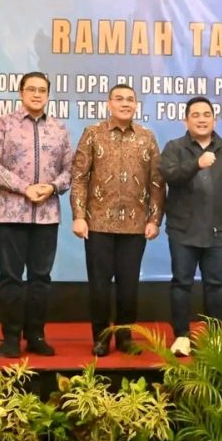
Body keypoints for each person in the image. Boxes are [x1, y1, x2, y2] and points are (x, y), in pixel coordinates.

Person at [70, 84, 165, 357]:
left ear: (136, 105)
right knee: (99, 286)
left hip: (135, 225)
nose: (125, 103)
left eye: (130, 99)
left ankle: (125, 338)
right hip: (98, 223)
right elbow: (79, 178)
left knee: (129, 286)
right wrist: (79, 216)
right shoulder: (92, 133)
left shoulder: (147, 137)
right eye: (119, 99)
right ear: (109, 103)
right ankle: (101, 338)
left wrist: (154, 219)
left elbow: (157, 182)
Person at [0, 72, 73, 359]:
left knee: (41, 278)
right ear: (21, 92)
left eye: (42, 90)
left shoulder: (58, 128)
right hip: (12, 214)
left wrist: (52, 187)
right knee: (11, 278)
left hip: (47, 216)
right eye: (31, 89)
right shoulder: (4, 124)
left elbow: (69, 170)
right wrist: (25, 188)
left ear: (48, 94)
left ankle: (35, 335)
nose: (36, 94)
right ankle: (10, 338)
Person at [160, 96, 222, 357]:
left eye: (206, 115)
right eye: (196, 115)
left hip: (218, 231)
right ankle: (181, 336)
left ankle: (214, 337)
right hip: (182, 230)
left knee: (215, 285)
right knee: (181, 283)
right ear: (185, 120)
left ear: (214, 119)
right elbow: (169, 175)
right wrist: (196, 164)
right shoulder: (174, 147)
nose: (201, 119)